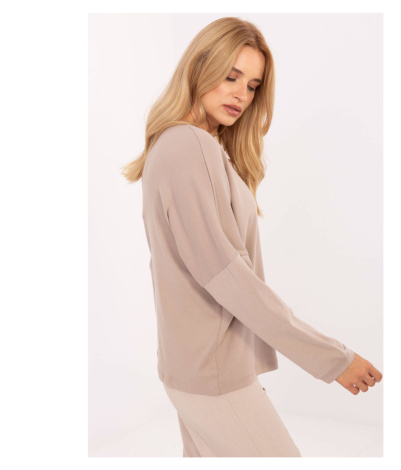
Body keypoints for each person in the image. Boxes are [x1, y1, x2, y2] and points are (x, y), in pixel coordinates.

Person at [121, 16, 382, 458]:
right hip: (214, 376)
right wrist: (332, 359)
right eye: (231, 76)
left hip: (196, 369)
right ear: (198, 67)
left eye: (253, 85)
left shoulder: (182, 145)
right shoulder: (189, 146)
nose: (242, 94)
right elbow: (226, 276)